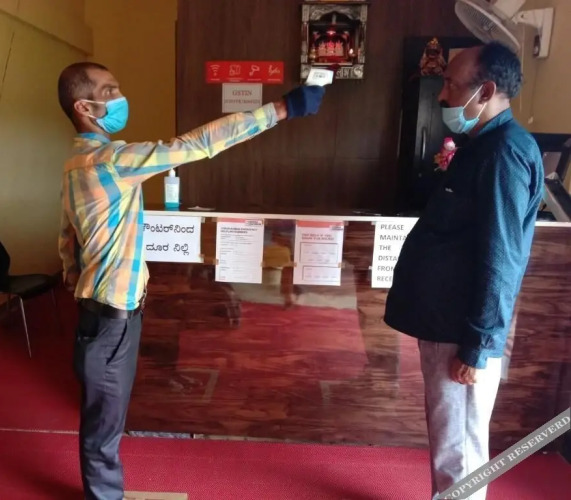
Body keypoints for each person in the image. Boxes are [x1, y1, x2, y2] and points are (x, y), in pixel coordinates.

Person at [56, 61, 325, 500]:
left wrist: (76, 277)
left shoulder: (75, 163)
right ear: (84, 107)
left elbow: (67, 236)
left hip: (101, 311)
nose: (120, 97)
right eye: (109, 90)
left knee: (104, 418)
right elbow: (196, 144)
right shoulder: (110, 161)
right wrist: (282, 109)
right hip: (110, 317)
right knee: (104, 426)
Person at [384, 42, 543, 500]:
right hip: (449, 323)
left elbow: (502, 256)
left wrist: (478, 346)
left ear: (485, 91)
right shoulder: (483, 147)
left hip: (462, 330)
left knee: (459, 447)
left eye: (451, 85)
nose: (441, 95)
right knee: (450, 439)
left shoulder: (503, 154)